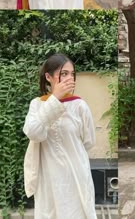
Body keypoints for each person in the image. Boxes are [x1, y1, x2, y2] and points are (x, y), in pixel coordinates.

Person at [23, 53, 97, 219]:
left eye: (72, 74)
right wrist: (55, 98)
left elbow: (88, 141)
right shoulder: (37, 104)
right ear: (48, 77)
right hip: (48, 177)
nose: (69, 78)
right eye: (64, 74)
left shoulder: (79, 105)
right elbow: (34, 132)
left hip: (75, 176)